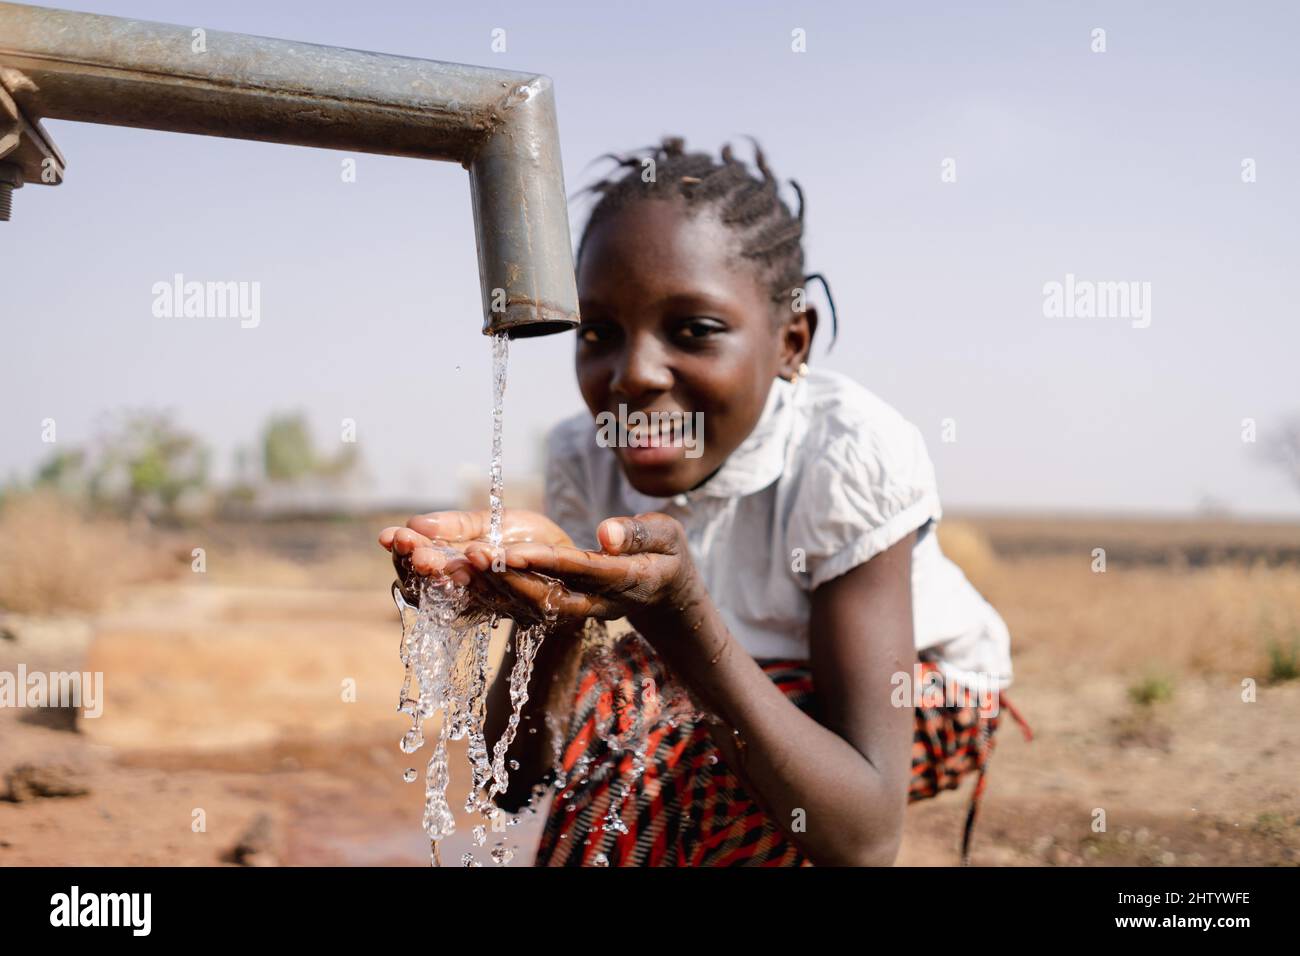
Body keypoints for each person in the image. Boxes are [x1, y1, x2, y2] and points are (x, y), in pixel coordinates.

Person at [380, 137, 1029, 867]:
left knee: (672, 750)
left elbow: (865, 834)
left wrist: (679, 612)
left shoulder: (846, 454)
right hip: (738, 678)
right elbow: (515, 781)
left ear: (792, 342)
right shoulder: (582, 455)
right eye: (599, 332)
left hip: (927, 694)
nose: (634, 374)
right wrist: (551, 609)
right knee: (625, 715)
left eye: (693, 331)